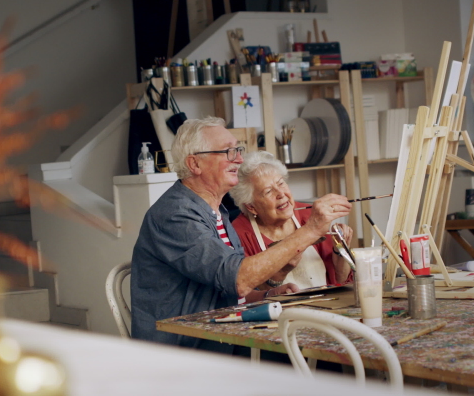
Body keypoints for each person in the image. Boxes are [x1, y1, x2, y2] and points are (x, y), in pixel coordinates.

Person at [130, 117, 351, 352]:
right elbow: (238, 280)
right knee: (309, 352)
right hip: (184, 347)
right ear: (195, 164)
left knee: (316, 344)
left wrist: (269, 293)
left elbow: (228, 292)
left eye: (238, 149)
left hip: (215, 332)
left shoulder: (216, 211)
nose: (239, 158)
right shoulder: (176, 214)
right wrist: (312, 229)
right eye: (227, 151)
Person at [230, 151, 353, 302]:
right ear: (251, 207)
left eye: (281, 183)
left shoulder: (310, 215)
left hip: (326, 308)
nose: (281, 193)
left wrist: (340, 250)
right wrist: (281, 270)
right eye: (268, 191)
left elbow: (341, 281)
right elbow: (245, 297)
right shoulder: (239, 234)